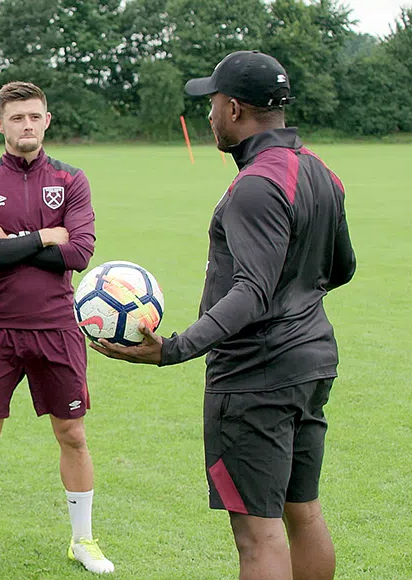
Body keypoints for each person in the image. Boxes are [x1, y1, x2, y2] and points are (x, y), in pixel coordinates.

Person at [89, 51, 356, 580]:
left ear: (233, 108)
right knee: (302, 512)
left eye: (211, 102)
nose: (209, 113)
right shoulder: (321, 172)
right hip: (311, 364)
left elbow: (251, 290)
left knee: (258, 534)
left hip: (256, 378)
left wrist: (173, 348)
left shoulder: (256, 184)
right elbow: (342, 268)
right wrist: (296, 296)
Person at [0, 81, 114, 575]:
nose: (27, 125)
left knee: (74, 434)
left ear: (47, 119)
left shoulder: (72, 178)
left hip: (58, 326)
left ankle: (83, 539)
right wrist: (44, 235)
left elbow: (80, 253)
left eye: (35, 116)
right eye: (17, 118)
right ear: (0, 124)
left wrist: (9, 242)